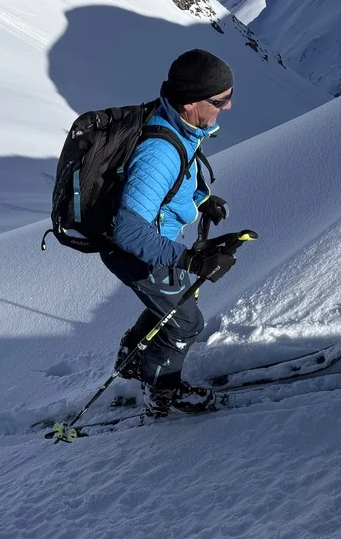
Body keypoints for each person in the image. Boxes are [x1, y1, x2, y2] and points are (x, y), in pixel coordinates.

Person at [101, 49, 239, 418]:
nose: (227, 107)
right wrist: (189, 259)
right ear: (192, 102)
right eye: (220, 100)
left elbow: (170, 184)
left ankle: (133, 360)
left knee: (170, 306)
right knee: (185, 321)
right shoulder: (159, 153)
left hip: (155, 245)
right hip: (140, 253)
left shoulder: (178, 124)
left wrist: (201, 200)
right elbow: (129, 230)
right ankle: (162, 392)